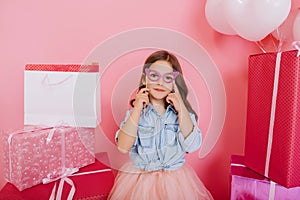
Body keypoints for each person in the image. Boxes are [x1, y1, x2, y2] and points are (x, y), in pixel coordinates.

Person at [108, 50, 214, 200]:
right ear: (145, 78)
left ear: (175, 83)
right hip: (141, 184)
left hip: (175, 183)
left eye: (168, 78)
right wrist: (137, 108)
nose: (160, 82)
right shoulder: (136, 114)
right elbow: (123, 147)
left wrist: (181, 107)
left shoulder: (182, 115)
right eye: (154, 76)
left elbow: (192, 146)